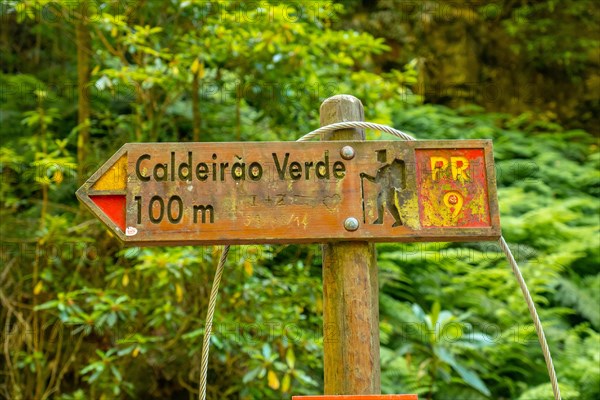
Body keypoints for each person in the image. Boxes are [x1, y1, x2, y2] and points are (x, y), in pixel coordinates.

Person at [360, 150, 406, 227]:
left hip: (389, 190)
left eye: (379, 156)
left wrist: (366, 176)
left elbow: (378, 180)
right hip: (384, 189)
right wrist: (365, 176)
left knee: (390, 205)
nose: (378, 158)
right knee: (379, 202)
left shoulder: (387, 168)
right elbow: (376, 180)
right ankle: (380, 220)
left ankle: (399, 221)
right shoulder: (381, 169)